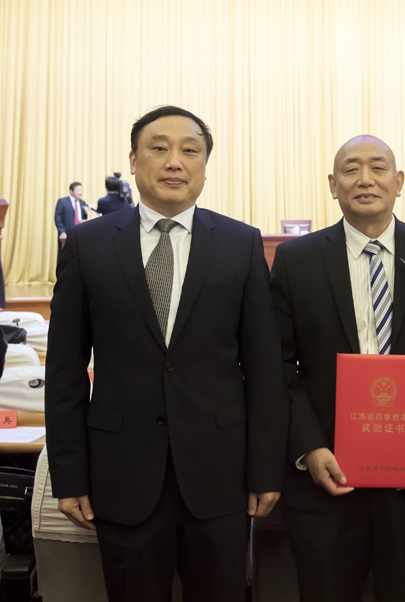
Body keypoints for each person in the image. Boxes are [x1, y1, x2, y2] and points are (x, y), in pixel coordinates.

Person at [46, 105, 289, 602]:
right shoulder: (87, 245)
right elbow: (64, 371)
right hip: (121, 473)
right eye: (159, 148)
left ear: (205, 166)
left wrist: (266, 468)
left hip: (220, 475)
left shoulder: (240, 244)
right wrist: (69, 476)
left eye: (189, 150)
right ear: (133, 160)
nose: (174, 161)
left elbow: (265, 368)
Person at [271, 135, 405, 602]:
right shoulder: (296, 260)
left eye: (378, 167)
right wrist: (309, 447)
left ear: (398, 181)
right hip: (326, 476)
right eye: (351, 169)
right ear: (333, 184)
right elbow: (278, 366)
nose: (365, 179)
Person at [54, 182, 92, 253]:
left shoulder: (82, 203)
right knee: (65, 254)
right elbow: (58, 218)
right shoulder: (62, 201)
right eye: (78, 190)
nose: (80, 192)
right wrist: (62, 232)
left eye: (81, 190)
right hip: (66, 234)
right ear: (71, 191)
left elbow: (84, 218)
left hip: (79, 234)